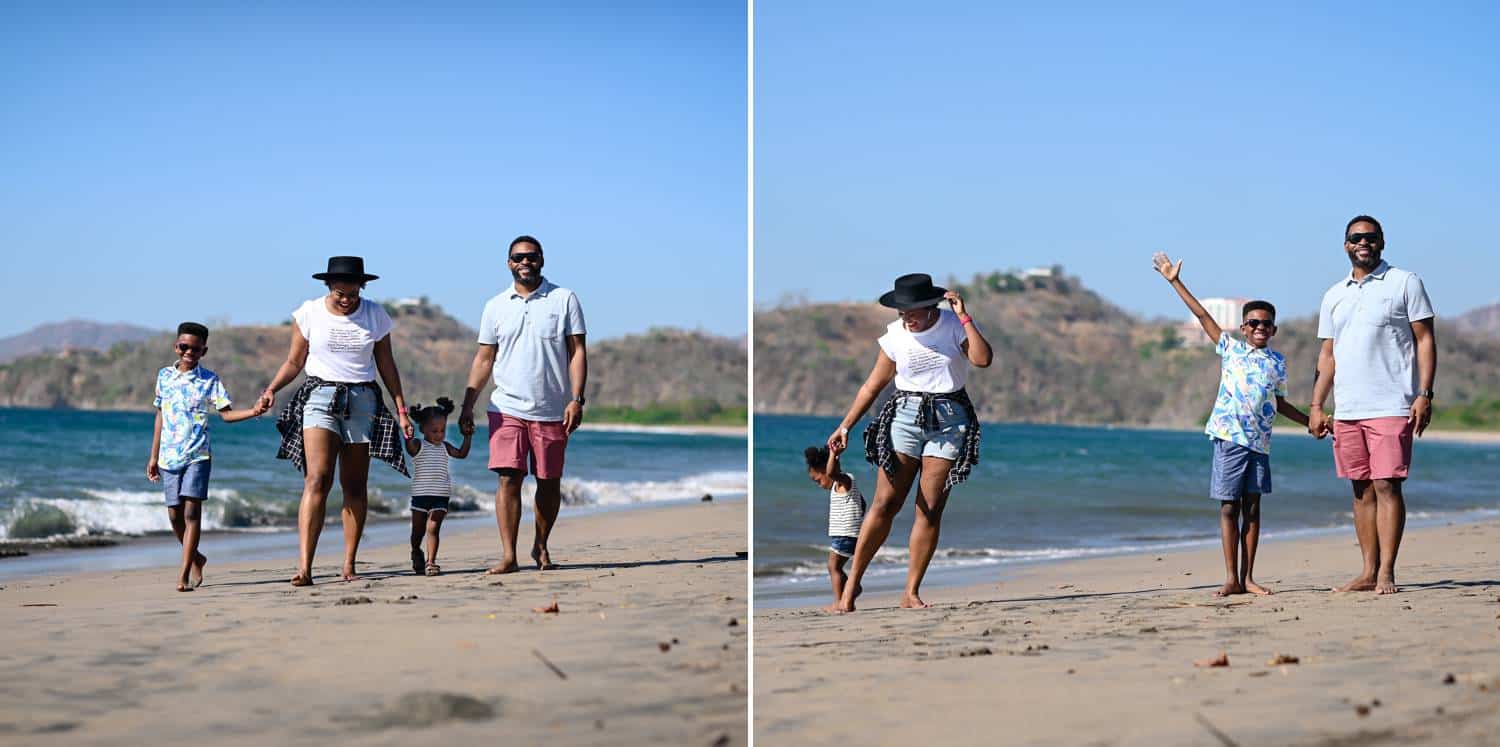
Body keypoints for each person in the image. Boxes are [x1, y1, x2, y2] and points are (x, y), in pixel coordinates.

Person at [826, 273, 992, 612]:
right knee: (885, 504)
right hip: (904, 416)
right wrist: (845, 426)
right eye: (902, 312)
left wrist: (964, 315)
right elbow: (872, 386)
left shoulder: (952, 325)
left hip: (950, 419)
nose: (907, 318)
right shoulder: (895, 336)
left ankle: (911, 592)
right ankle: (850, 588)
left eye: (913, 311)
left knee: (929, 509)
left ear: (932, 306)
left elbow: (982, 359)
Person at [1152, 253, 1310, 596]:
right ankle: (1231, 578)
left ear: (1274, 329)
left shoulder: (1277, 362)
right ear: (1243, 328)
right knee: (1229, 507)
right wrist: (1174, 281)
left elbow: (1280, 404)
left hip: (1259, 444)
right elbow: (1203, 315)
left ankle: (1249, 577)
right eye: (1253, 323)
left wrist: (1310, 422)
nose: (1259, 328)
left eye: (1265, 324)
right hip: (1229, 438)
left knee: (1252, 508)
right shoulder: (1232, 349)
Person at [259, 256, 413, 586]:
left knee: (354, 485)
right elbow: (294, 361)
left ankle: (349, 565)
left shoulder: (374, 314)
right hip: (319, 398)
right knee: (317, 478)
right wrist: (271, 389)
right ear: (329, 286)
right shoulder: (309, 312)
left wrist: (401, 410)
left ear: (362, 287)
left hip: (362, 401)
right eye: (340, 293)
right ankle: (305, 567)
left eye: (353, 293)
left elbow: (387, 365)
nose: (346, 299)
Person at [1309, 215, 1436, 595]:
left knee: (1387, 485)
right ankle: (1367, 571)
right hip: (1347, 409)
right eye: (1355, 238)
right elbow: (1327, 355)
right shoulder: (1334, 294)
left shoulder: (1405, 282)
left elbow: (1425, 340)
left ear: (1381, 242)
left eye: (1370, 237)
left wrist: (1424, 394)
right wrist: (1317, 404)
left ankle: (1386, 573)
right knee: (1360, 489)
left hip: (1392, 404)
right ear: (1345, 244)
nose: (1363, 242)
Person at [458, 235, 587, 573]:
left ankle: (541, 545)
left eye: (531, 256)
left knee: (548, 481)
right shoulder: (495, 306)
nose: (525, 262)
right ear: (509, 263)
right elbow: (484, 358)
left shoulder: (564, 299)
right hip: (506, 408)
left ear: (542, 259)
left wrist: (576, 399)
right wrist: (468, 403)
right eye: (519, 257)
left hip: (551, 409)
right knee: (508, 478)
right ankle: (508, 555)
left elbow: (577, 352)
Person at [147, 322, 269, 592]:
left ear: (204, 351)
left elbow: (226, 415)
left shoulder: (210, 380)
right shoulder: (164, 376)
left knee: (192, 512)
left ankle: (183, 574)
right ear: (176, 347)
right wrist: (153, 456)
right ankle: (198, 557)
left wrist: (254, 411)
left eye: (195, 348)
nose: (189, 351)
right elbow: (160, 416)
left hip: (198, 455)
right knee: (174, 516)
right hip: (168, 456)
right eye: (184, 347)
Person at [404, 397, 471, 576]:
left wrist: (467, 436)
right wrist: (408, 436)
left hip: (441, 495)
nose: (439, 434)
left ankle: (431, 562)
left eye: (442, 430)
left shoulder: (445, 447)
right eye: (434, 430)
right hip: (420, 496)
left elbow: (462, 454)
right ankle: (416, 550)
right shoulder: (419, 445)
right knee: (418, 532)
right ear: (422, 429)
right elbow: (410, 447)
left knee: (433, 528)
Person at [804, 443, 865, 611]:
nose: (818, 484)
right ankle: (852, 589)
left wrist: (834, 454)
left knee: (833, 567)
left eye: (818, 480)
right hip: (845, 535)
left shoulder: (845, 481)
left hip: (846, 535)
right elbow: (863, 503)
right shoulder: (840, 488)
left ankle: (839, 601)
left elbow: (832, 472)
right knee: (835, 567)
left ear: (826, 470)